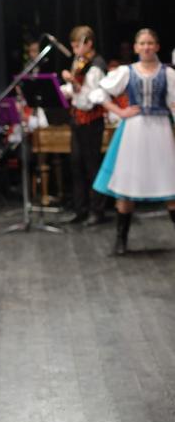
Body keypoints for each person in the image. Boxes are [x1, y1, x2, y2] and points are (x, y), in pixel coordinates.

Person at [90, 28, 175, 255]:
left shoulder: (168, 73)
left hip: (160, 131)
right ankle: (121, 240)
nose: (146, 47)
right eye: (142, 43)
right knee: (127, 185)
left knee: (170, 184)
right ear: (136, 47)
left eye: (150, 43)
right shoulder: (126, 72)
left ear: (157, 46)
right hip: (134, 131)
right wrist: (119, 111)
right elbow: (98, 92)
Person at [60, 26, 108, 226]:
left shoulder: (96, 66)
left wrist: (75, 84)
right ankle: (80, 209)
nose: (74, 51)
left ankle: (97, 211)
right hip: (77, 120)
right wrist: (66, 88)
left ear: (89, 44)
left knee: (92, 166)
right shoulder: (79, 62)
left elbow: (92, 99)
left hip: (91, 121)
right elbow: (76, 93)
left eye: (77, 46)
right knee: (76, 165)